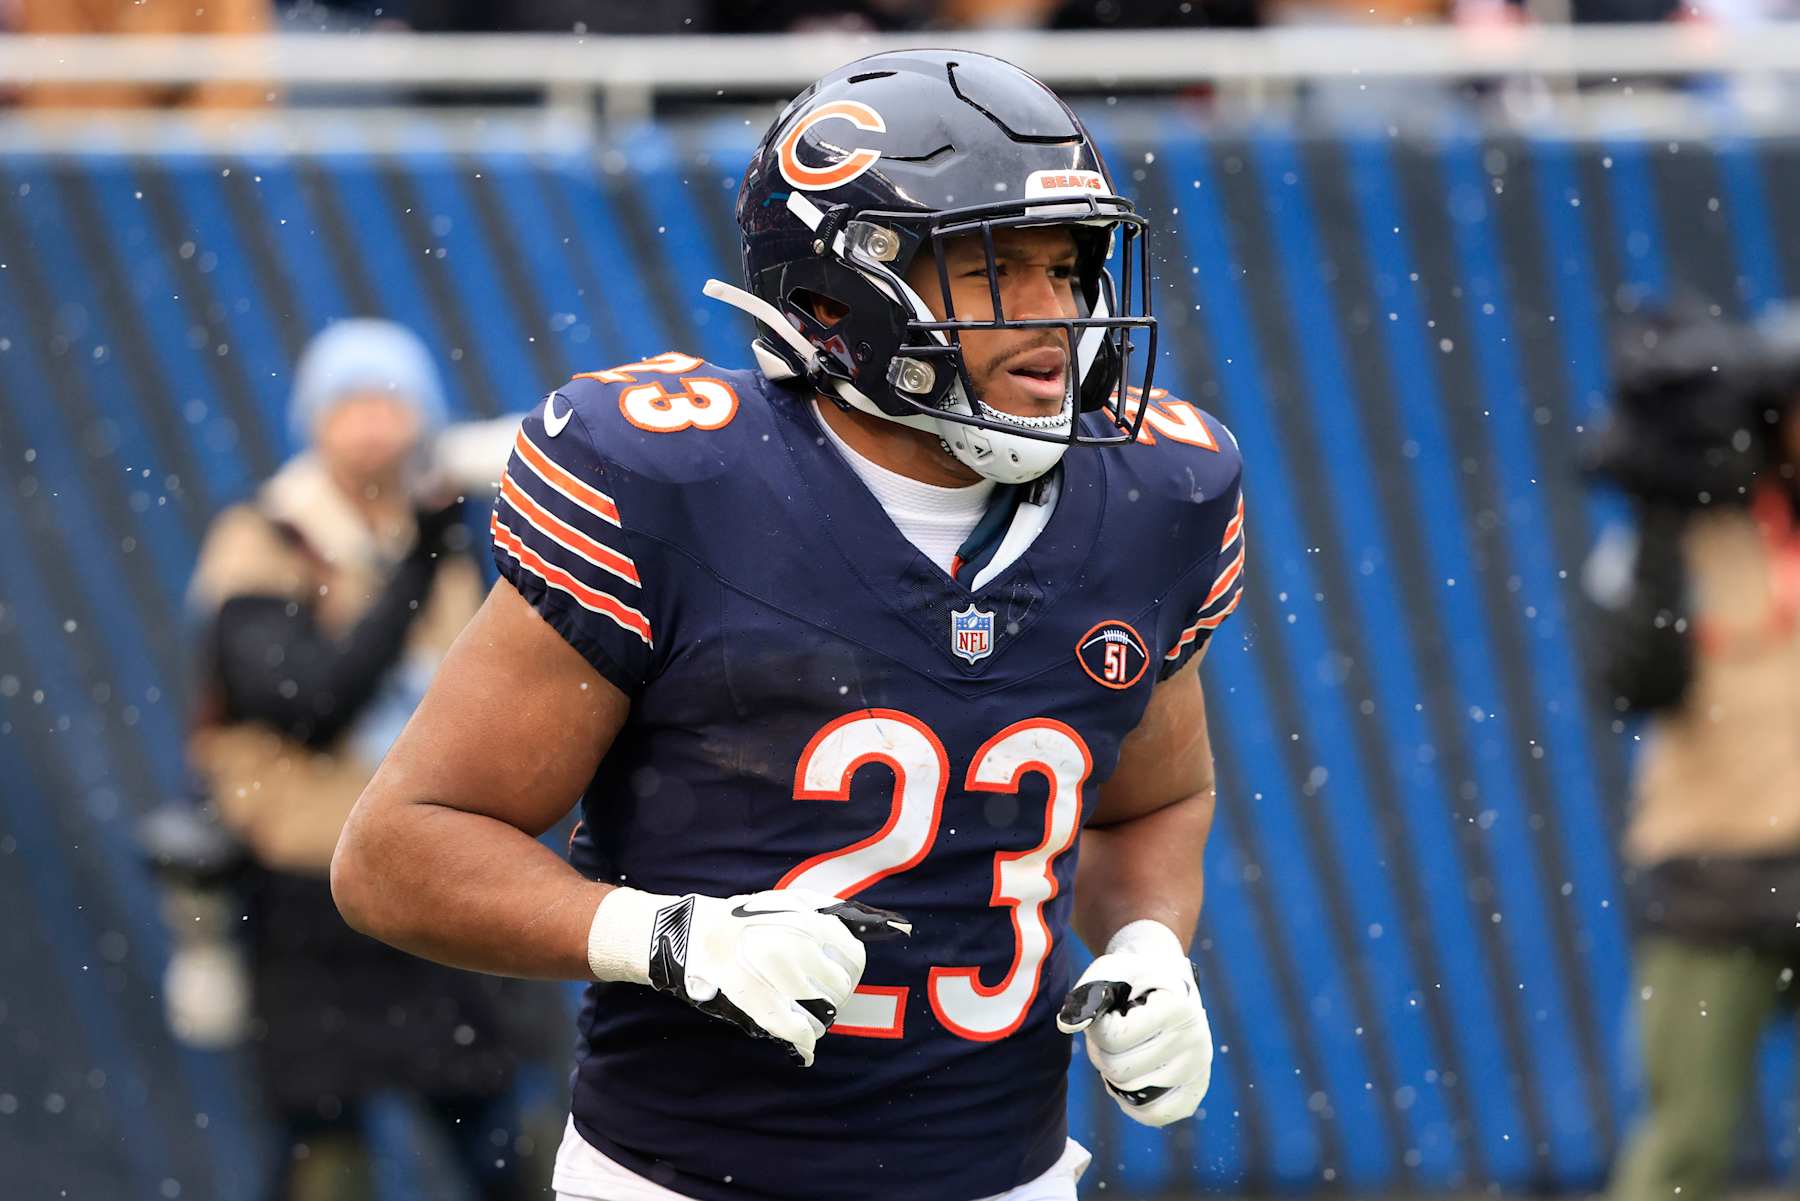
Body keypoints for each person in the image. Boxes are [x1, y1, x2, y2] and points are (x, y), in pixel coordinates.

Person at [332, 50, 1243, 1201]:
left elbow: (1156, 801)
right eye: (995, 268)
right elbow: (398, 850)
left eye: (1066, 268)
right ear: (836, 296)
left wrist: (1149, 942)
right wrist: (666, 938)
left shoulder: (1156, 498)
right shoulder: (680, 485)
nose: (1056, 316)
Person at [186, 319, 542, 1201]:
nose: (376, 423)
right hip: (310, 894)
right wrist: (420, 560)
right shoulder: (265, 538)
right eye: (353, 402)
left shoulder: (447, 539)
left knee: (498, 1134)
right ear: (315, 419)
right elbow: (307, 703)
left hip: (436, 882)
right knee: (323, 1152)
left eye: (393, 401)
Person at [1584, 306, 1800, 1201]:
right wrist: (1662, 532)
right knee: (1684, 1146)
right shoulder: (1672, 531)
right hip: (1711, 878)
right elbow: (1635, 680)